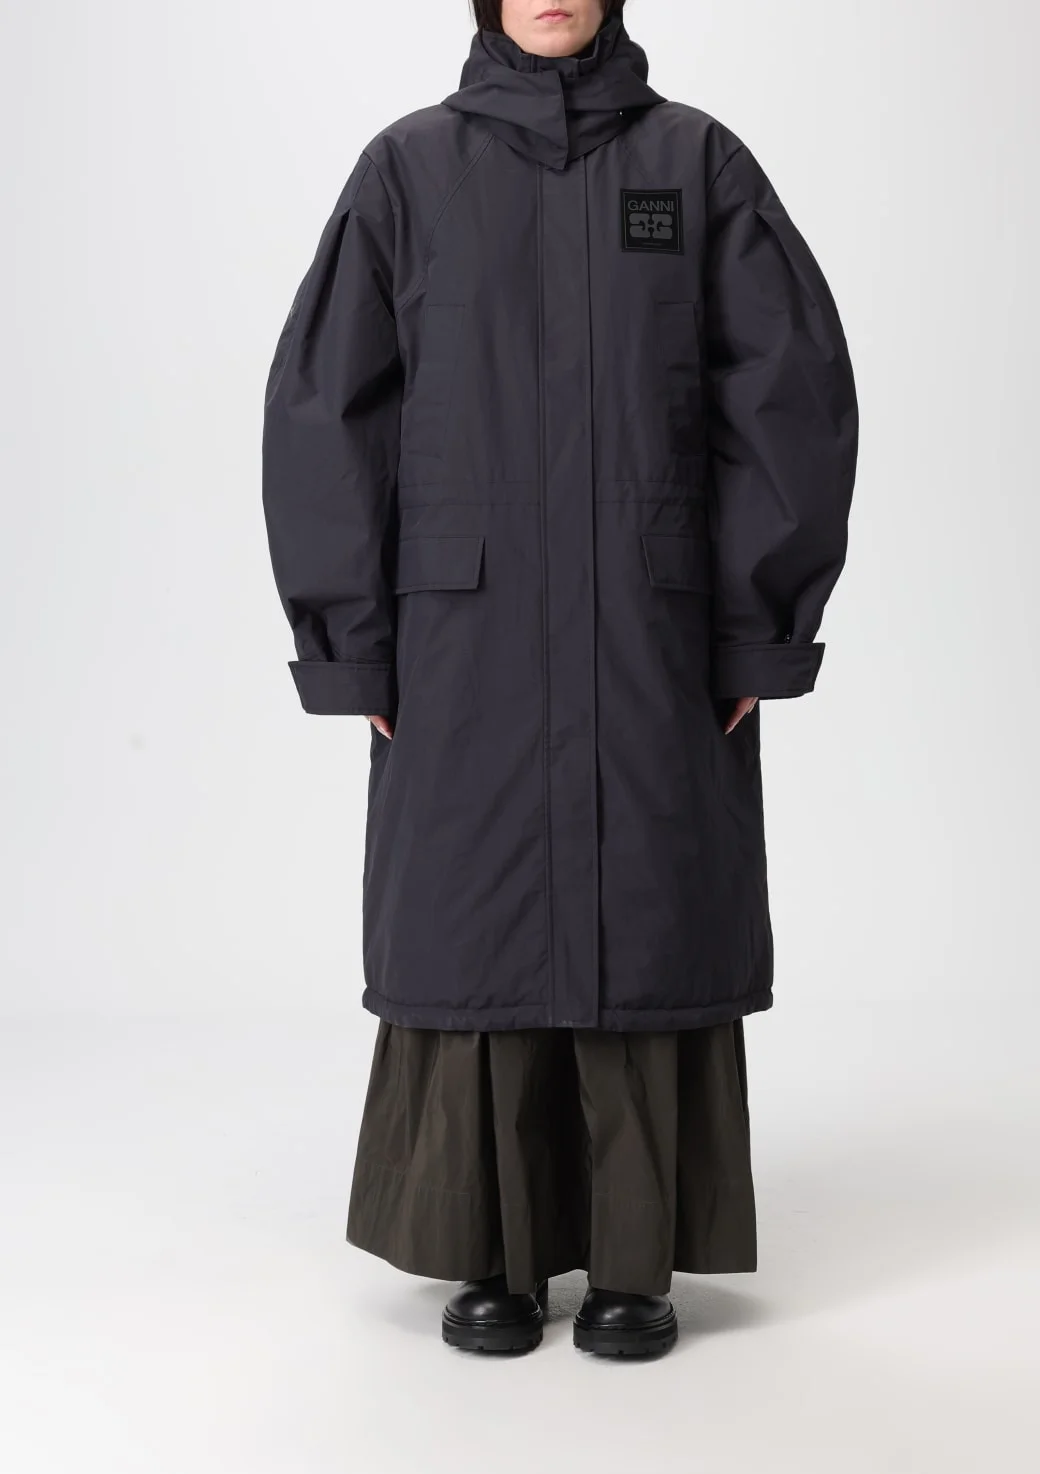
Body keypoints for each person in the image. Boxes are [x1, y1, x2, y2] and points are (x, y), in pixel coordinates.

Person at [261, 0, 858, 1360]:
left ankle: (638, 1265)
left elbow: (790, 397)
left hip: (655, 635)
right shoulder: (410, 170)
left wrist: (761, 626)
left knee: (647, 922)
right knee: (477, 925)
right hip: (460, 640)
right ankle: (494, 1257)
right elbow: (325, 413)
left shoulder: (695, 164)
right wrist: (349, 639)